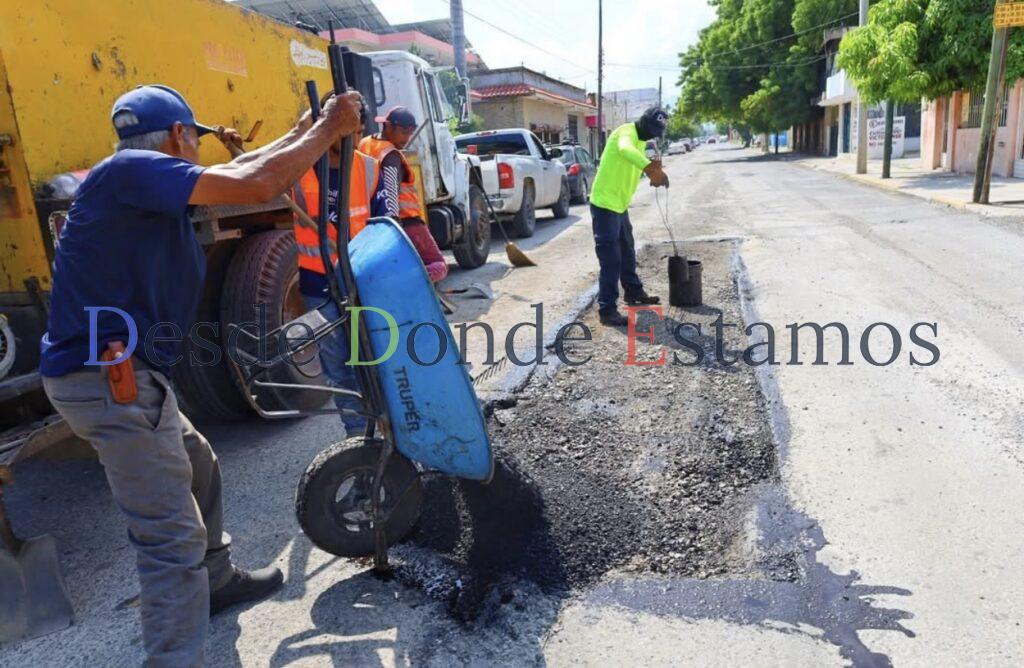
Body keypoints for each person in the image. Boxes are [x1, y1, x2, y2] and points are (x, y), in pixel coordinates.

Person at [39, 84, 362, 666]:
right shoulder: (133, 173)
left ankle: (214, 581)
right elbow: (256, 184)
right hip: (109, 381)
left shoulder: (135, 178)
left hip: (121, 374)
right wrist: (330, 129)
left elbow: (242, 171)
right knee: (169, 537)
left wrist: (301, 131)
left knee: (199, 464)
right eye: (195, 139)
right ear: (178, 136)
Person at [293, 128, 389, 436]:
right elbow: (262, 179)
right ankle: (358, 438)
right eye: (343, 127)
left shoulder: (369, 168)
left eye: (357, 128)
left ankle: (392, 430)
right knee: (339, 370)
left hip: (363, 284)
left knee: (375, 362)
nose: (351, 135)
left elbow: (385, 226)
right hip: (319, 287)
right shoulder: (298, 168)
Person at [588, 106, 670, 326]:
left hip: (619, 206)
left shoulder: (640, 142)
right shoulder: (625, 133)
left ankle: (633, 291)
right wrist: (649, 168)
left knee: (627, 250)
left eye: (656, 132)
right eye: (651, 129)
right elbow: (625, 150)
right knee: (611, 258)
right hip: (604, 205)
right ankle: (607, 310)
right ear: (643, 122)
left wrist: (651, 171)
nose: (652, 135)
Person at [358, 106, 448, 282]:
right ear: (388, 126)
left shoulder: (365, 143)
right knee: (438, 265)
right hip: (407, 223)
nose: (406, 139)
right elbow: (391, 194)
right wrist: (394, 230)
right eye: (403, 132)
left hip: (372, 220)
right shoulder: (391, 155)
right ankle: (412, 284)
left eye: (410, 133)